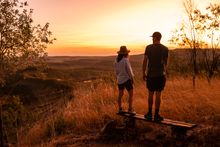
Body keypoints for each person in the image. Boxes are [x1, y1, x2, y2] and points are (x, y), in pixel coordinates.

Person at [142, 32, 168, 121]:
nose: (152, 39)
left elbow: (145, 61)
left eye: (153, 37)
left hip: (151, 75)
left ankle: (149, 113)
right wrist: (164, 73)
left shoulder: (148, 47)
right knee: (158, 94)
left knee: (150, 93)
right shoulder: (165, 49)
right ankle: (156, 115)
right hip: (160, 75)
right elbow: (165, 63)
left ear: (156, 38)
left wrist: (143, 72)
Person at [114, 46, 135, 115]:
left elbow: (116, 72)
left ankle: (120, 108)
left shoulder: (116, 60)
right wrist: (132, 78)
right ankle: (130, 109)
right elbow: (129, 71)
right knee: (131, 94)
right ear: (126, 53)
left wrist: (118, 77)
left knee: (120, 94)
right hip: (126, 79)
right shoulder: (125, 60)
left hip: (119, 79)